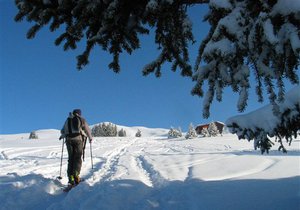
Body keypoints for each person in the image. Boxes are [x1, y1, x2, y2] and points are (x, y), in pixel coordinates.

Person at [60, 109, 93, 186]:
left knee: (71, 158)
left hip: (68, 141)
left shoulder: (68, 120)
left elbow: (62, 131)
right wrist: (90, 137)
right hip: (78, 140)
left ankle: (70, 177)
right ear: (79, 113)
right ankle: (76, 175)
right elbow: (87, 130)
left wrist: (65, 134)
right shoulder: (82, 119)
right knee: (77, 158)